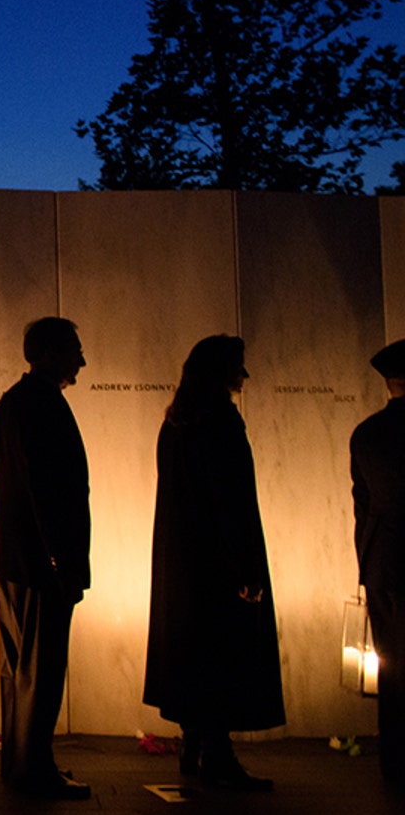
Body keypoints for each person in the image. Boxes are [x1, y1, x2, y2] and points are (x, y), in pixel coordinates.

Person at [145, 334, 282, 791]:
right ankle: (217, 754)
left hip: (184, 562)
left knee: (192, 653)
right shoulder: (221, 420)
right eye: (237, 367)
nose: (244, 375)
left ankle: (193, 744)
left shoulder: (176, 422)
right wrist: (244, 569)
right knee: (223, 653)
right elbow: (233, 501)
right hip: (219, 562)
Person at [0, 316, 91, 800]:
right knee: (42, 667)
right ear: (48, 353)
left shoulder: (12, 403)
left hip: (12, 553)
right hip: (38, 558)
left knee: (19, 666)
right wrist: (59, 559)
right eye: (74, 351)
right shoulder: (42, 405)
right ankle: (34, 768)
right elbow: (48, 492)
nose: (82, 362)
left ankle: (23, 763)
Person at [353, 339, 405, 794]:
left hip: (384, 563)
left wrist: (365, 565)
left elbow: (363, 507)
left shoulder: (366, 434)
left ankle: (395, 757)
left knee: (392, 665)